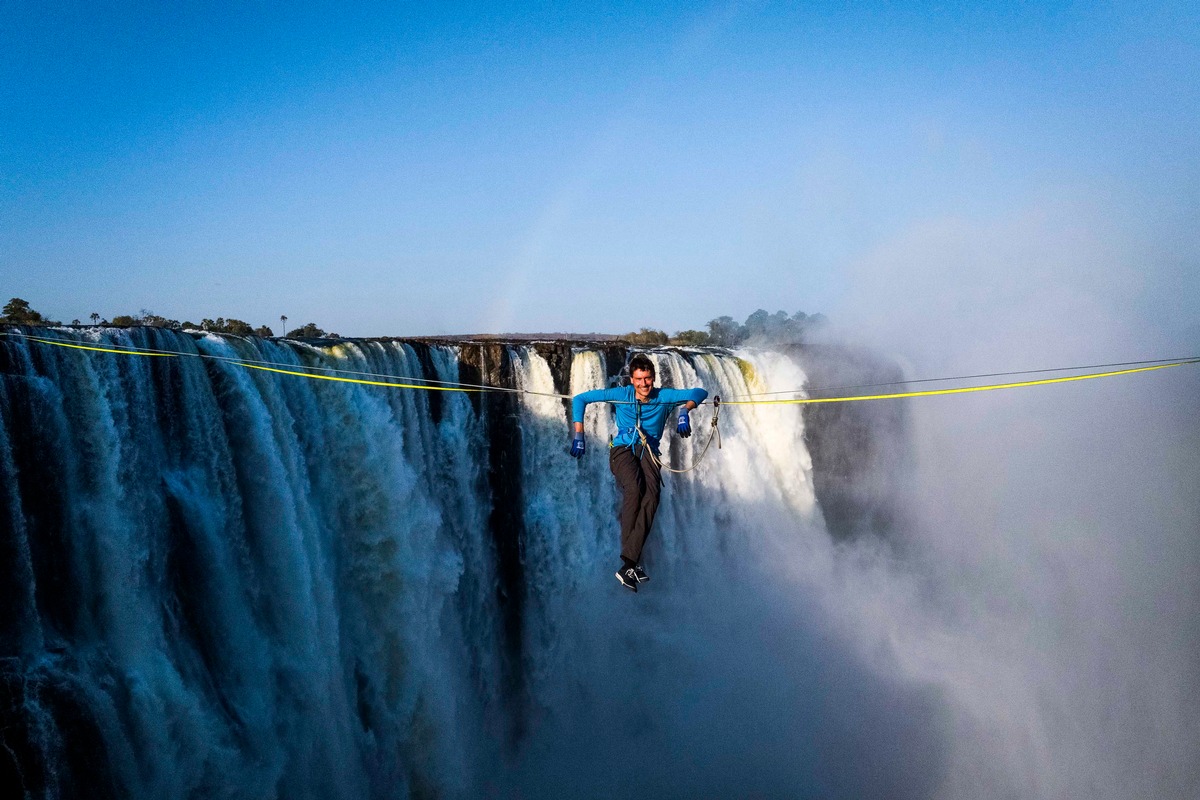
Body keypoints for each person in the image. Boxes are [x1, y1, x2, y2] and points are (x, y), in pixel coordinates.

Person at [569, 354, 708, 592]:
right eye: (639, 379)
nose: (644, 384)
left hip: (649, 452)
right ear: (631, 380)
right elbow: (580, 399)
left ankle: (630, 563)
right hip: (622, 449)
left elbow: (699, 392)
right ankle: (629, 563)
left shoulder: (663, 396)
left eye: (648, 379)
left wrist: (685, 411)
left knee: (653, 496)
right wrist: (579, 435)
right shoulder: (621, 394)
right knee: (634, 488)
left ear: (653, 379)